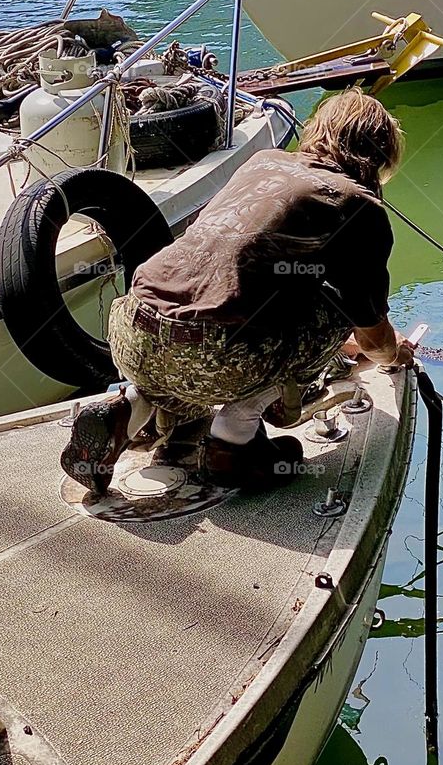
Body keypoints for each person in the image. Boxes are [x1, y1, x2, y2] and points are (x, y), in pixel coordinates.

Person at [60, 89, 414, 493]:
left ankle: (128, 409)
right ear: (381, 154)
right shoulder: (360, 206)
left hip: (133, 327)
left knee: (207, 319)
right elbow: (370, 332)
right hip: (216, 353)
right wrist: (392, 353)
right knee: (335, 304)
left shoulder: (263, 161)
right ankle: (234, 438)